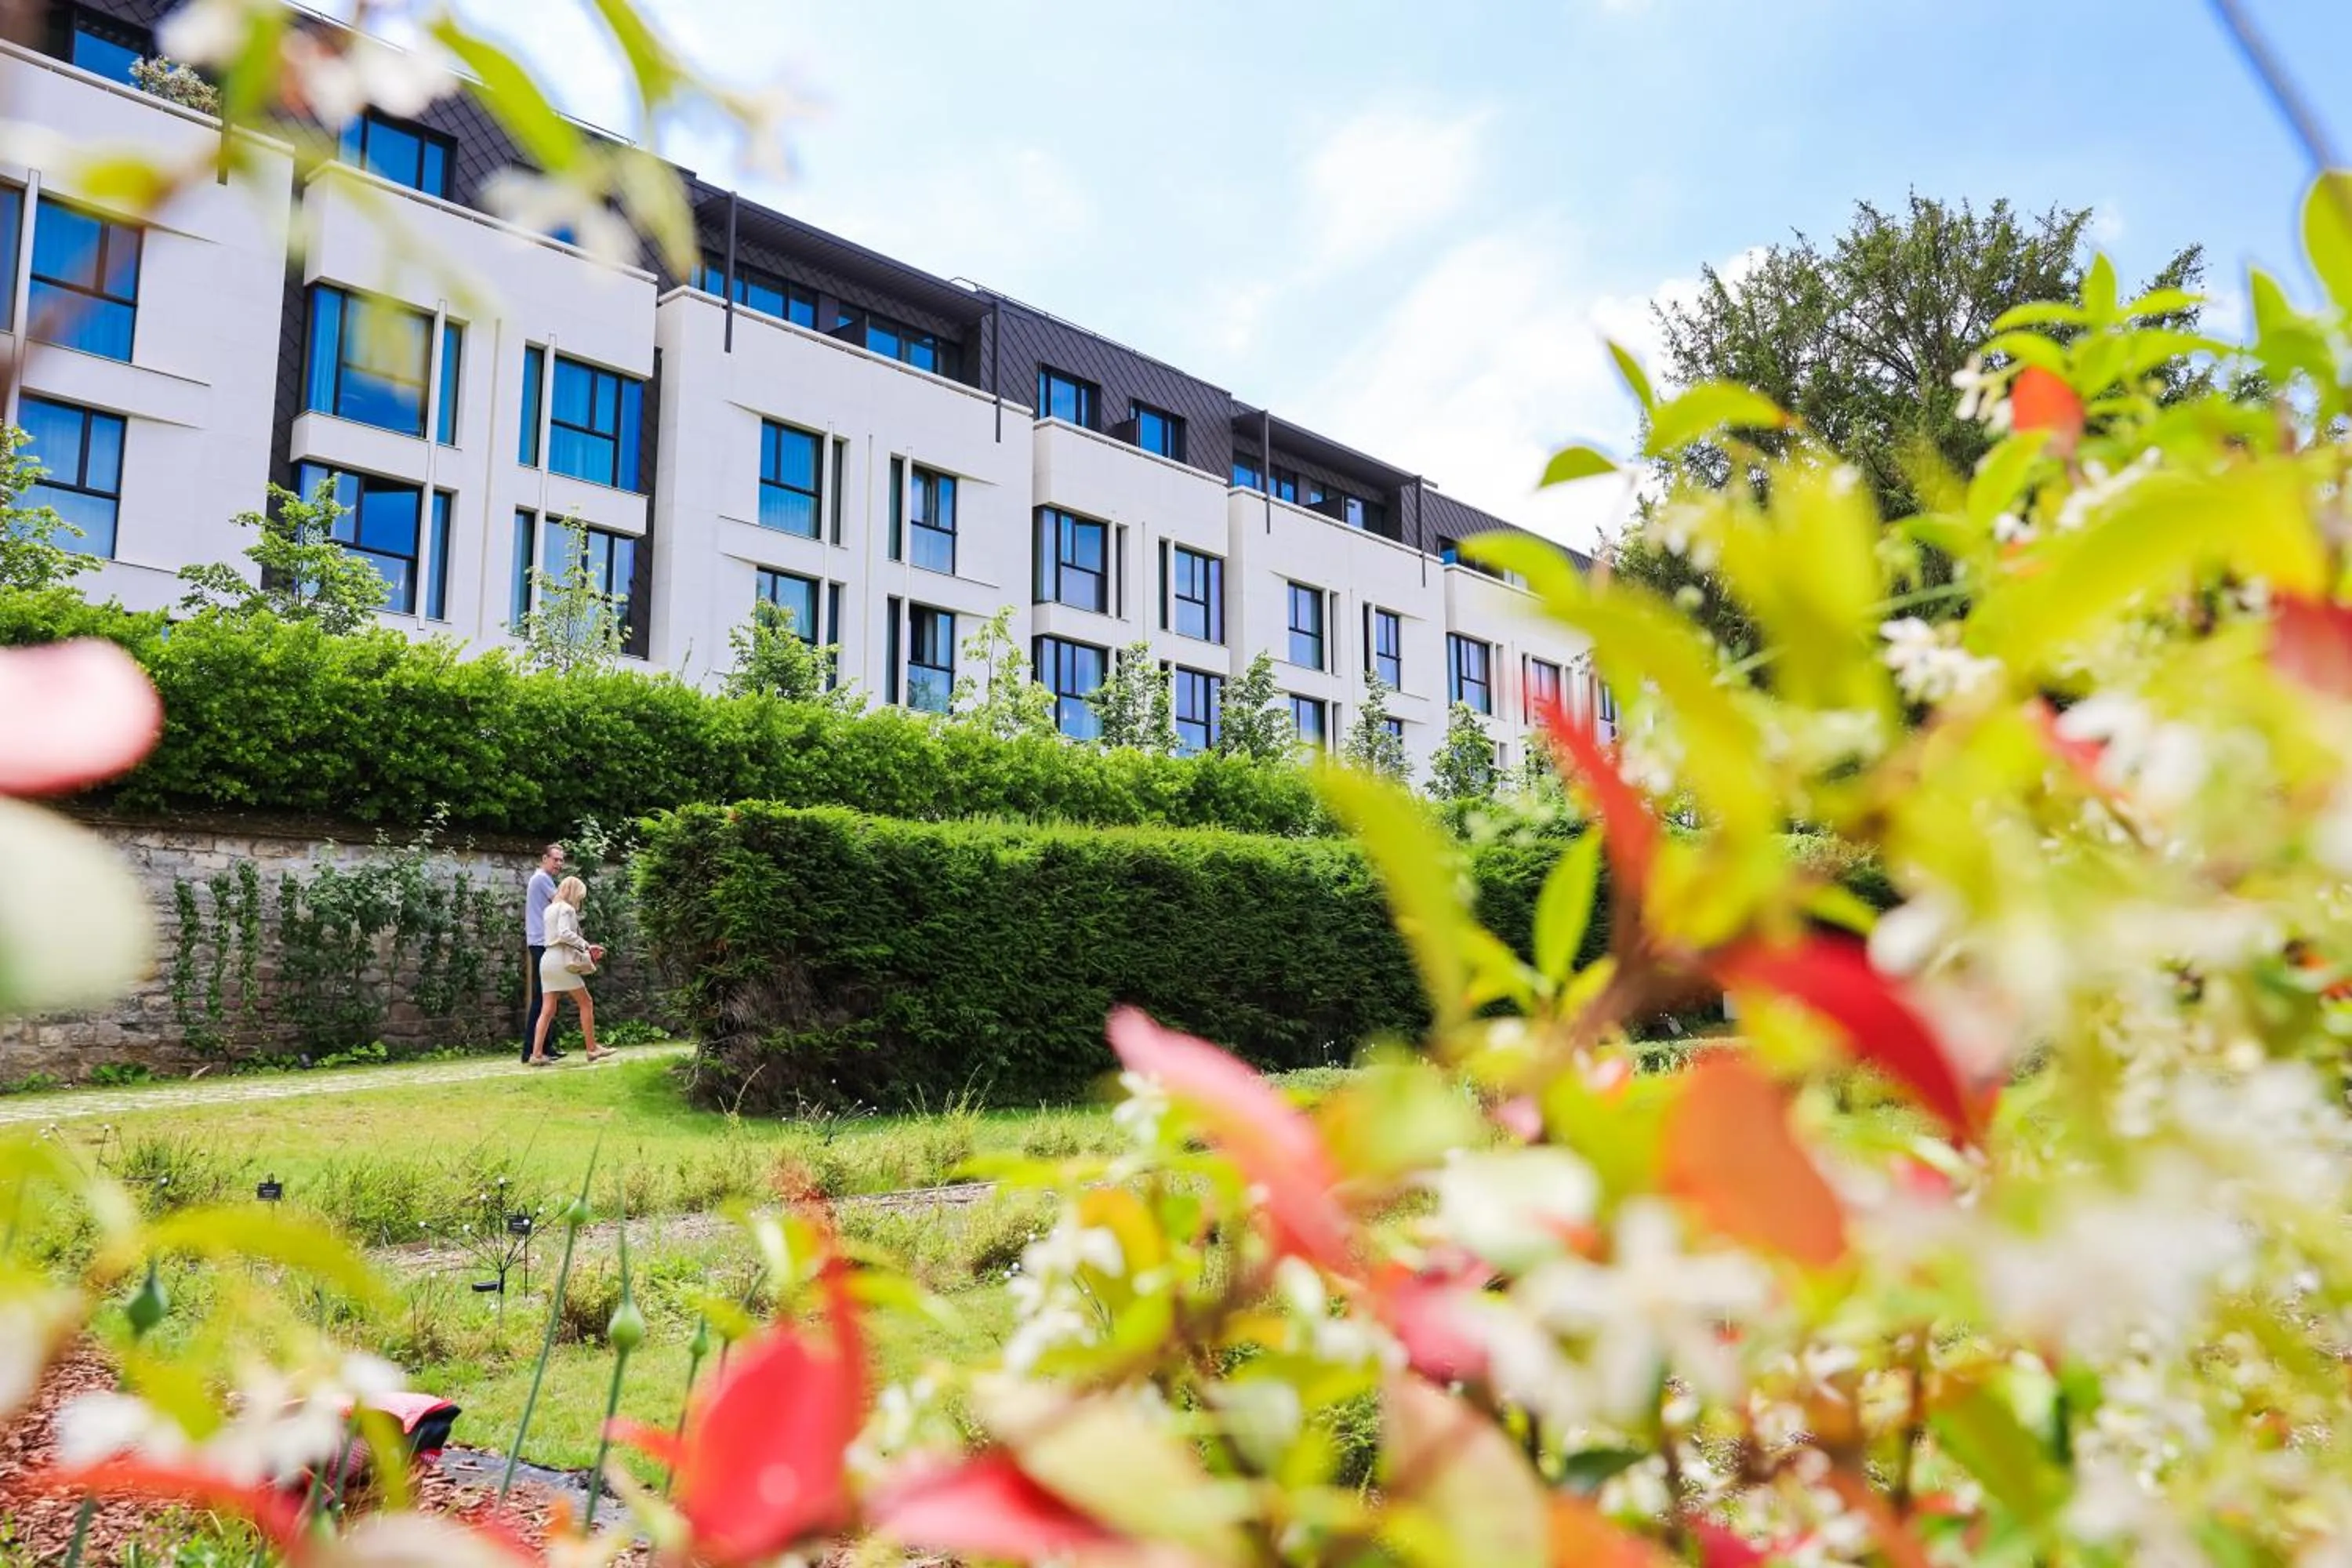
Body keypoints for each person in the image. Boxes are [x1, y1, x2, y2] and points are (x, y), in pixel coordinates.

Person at [528, 877, 608, 1065]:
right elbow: (564, 933)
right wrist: (586, 945)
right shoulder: (567, 909)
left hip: (547, 960)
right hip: (561, 961)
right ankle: (592, 1048)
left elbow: (555, 935)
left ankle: (536, 1054)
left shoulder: (548, 910)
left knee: (547, 1008)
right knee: (586, 1002)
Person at [521, 844, 568, 1062]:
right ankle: (531, 1050)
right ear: (544, 858)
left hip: (542, 943)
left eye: (561, 860)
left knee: (549, 997)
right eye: (556, 859)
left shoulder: (543, 879)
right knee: (543, 998)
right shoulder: (542, 879)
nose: (559, 864)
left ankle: (546, 1047)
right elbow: (561, 904)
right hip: (541, 943)